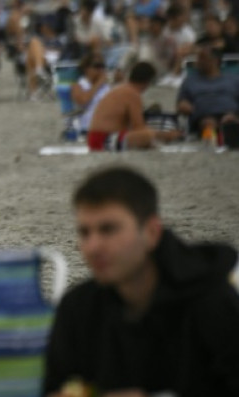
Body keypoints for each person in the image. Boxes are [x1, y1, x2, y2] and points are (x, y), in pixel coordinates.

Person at [44, 166, 239, 396]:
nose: (93, 246)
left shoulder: (210, 302)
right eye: (84, 233)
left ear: (152, 232)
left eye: (108, 230)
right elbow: (54, 385)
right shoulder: (79, 307)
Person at [86, 62, 181, 151]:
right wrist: (165, 135)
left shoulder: (123, 88)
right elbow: (139, 127)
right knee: (147, 136)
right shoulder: (132, 94)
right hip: (103, 140)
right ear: (148, 81)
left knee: (148, 136)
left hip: (98, 138)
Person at [176, 41, 239, 136]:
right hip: (204, 116)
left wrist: (234, 115)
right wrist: (184, 105)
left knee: (230, 122)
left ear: (215, 61)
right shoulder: (190, 81)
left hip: (231, 114)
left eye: (202, 58)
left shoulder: (233, 80)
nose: (198, 61)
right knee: (209, 123)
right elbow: (181, 102)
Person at [71, 54, 110, 133]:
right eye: (97, 66)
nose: (100, 69)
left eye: (102, 66)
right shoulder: (78, 86)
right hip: (88, 128)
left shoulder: (106, 86)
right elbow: (83, 100)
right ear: (86, 68)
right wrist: (98, 83)